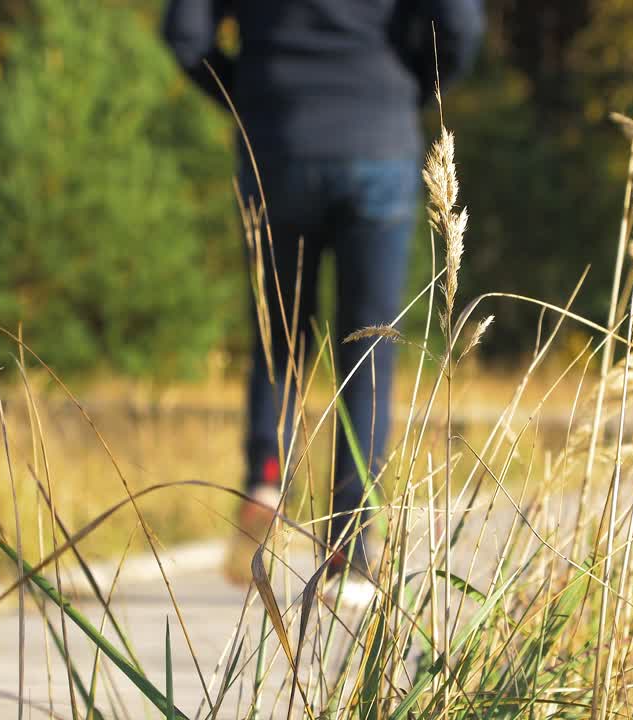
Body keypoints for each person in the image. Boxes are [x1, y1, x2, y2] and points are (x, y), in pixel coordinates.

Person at [163, 0, 485, 589]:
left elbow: (184, 31)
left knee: (278, 329)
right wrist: (410, 87)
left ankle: (265, 473)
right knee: (367, 351)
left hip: (275, 143)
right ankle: (351, 543)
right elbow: (459, 22)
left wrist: (249, 96)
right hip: (378, 135)